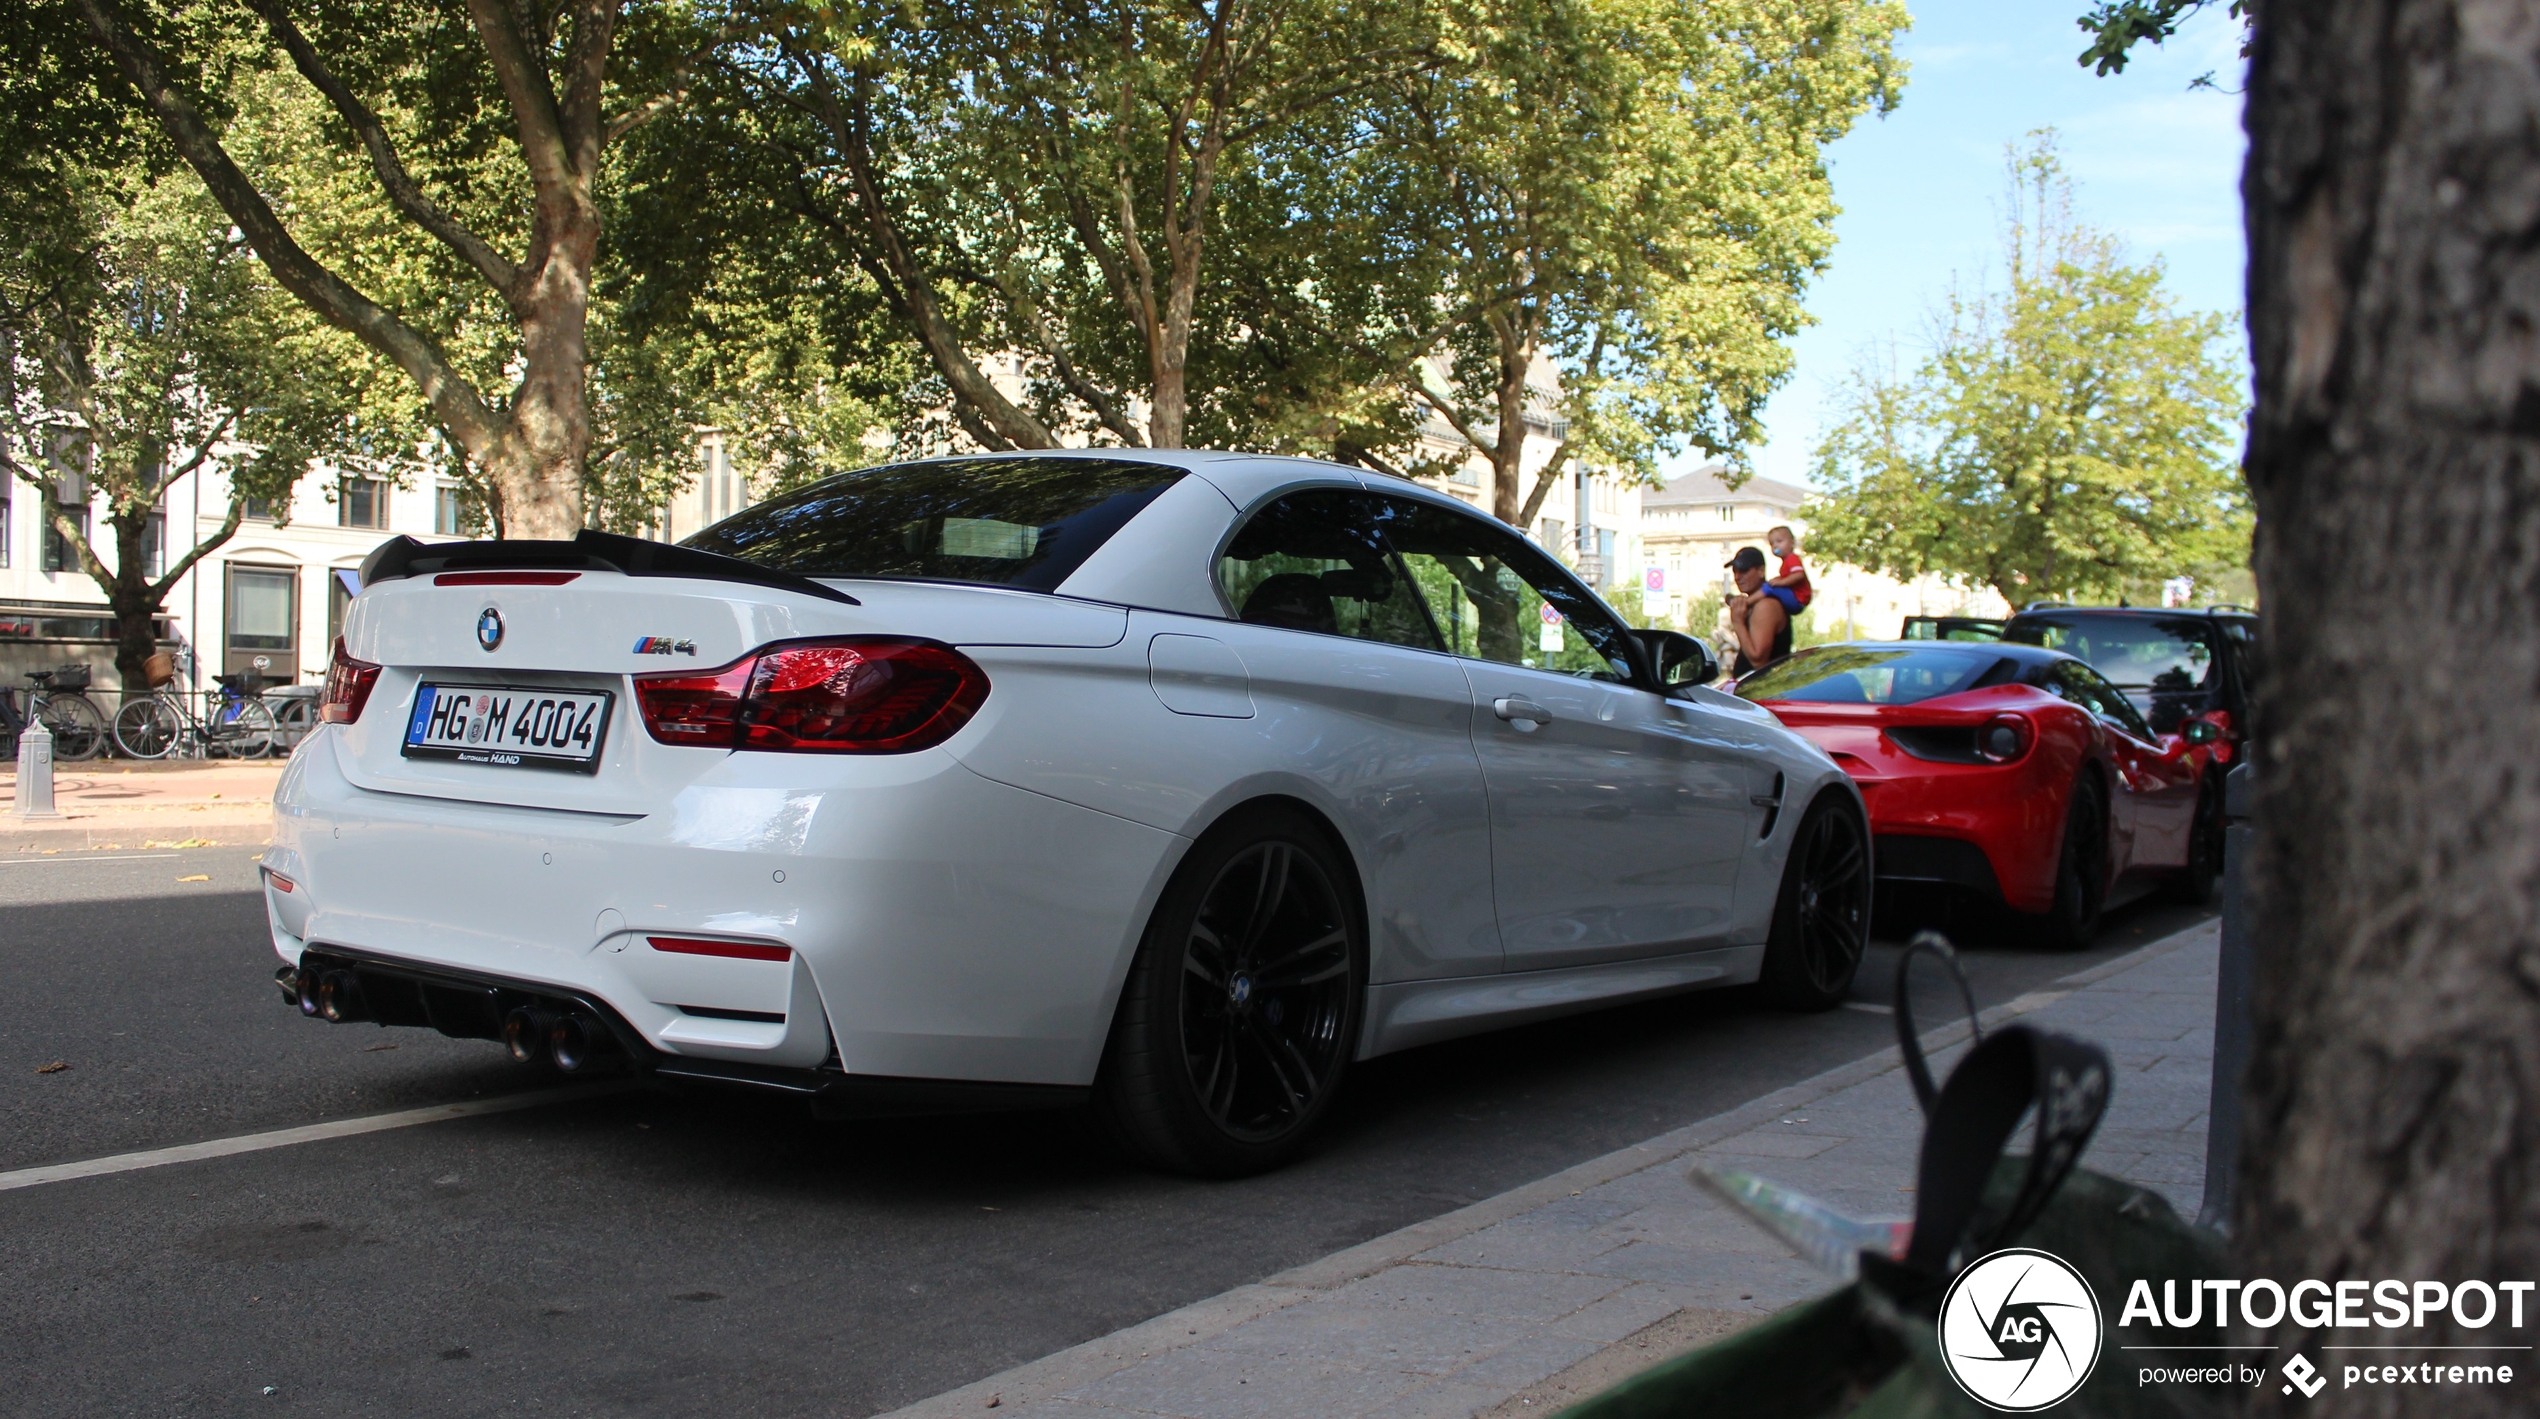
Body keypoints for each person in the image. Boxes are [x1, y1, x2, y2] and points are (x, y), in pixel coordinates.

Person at [1724, 546, 1793, 675]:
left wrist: (1738, 622)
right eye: (1735, 571)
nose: (1737, 577)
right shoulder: (1759, 603)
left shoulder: (1766, 605)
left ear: (1761, 571)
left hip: (1762, 692)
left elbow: (1758, 661)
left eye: (1744, 570)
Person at [1763, 525, 1813, 616]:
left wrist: (1780, 582)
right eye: (1772, 543)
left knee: (1769, 588)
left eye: (1779, 541)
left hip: (1798, 599)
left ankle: (1748, 601)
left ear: (1792, 543)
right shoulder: (1785, 563)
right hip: (1796, 599)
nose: (1775, 546)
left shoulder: (1792, 558)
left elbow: (1798, 574)